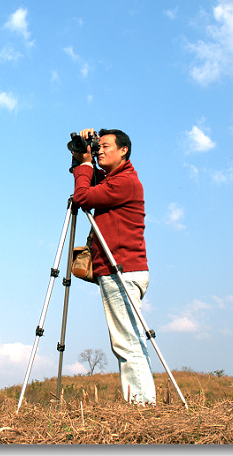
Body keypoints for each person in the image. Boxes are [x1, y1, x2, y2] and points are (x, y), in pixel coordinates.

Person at [70, 128, 156, 405]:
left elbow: (83, 197)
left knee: (127, 343)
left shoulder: (125, 182)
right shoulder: (116, 180)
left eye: (106, 146)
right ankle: (142, 402)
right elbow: (89, 184)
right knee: (128, 340)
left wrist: (84, 165)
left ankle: (142, 406)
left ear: (124, 150)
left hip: (123, 271)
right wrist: (81, 157)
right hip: (122, 270)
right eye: (98, 147)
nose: (100, 150)